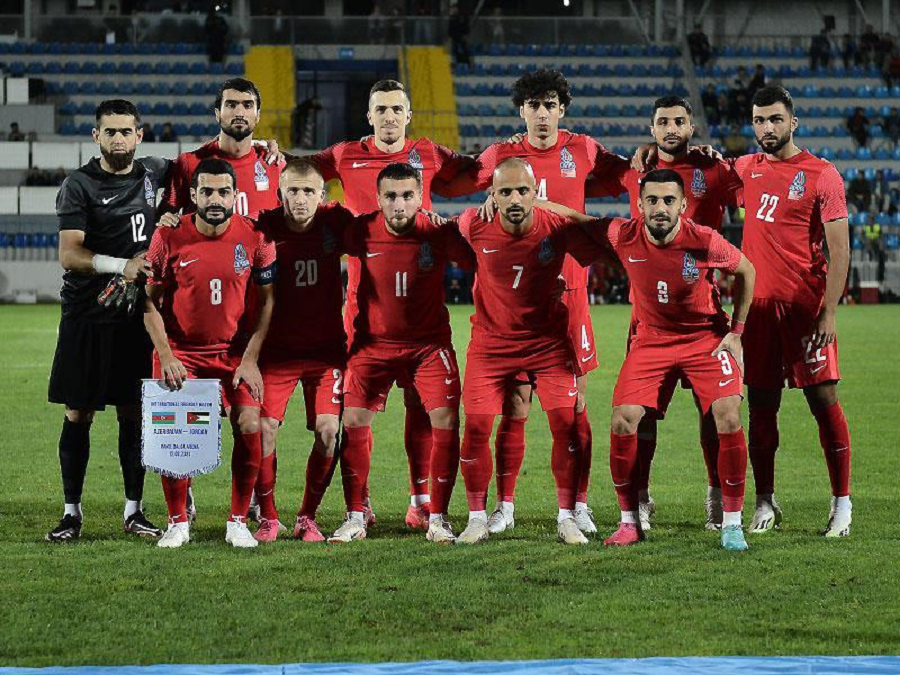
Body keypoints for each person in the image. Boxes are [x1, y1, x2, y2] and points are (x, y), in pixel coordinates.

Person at [438, 68, 631, 536]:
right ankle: (503, 506)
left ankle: (578, 504)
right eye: (533, 105)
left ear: (562, 109)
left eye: (550, 105)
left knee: (575, 406)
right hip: (513, 296)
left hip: (570, 295)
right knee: (516, 404)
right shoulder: (500, 155)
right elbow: (456, 185)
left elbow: (627, 178)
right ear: (521, 110)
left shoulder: (583, 149)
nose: (542, 114)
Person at [548, 169, 756, 550]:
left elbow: (746, 270)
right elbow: (580, 220)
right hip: (652, 339)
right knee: (623, 418)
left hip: (704, 337)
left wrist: (737, 332)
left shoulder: (704, 240)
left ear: (683, 205)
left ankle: (731, 523)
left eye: (669, 200)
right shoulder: (623, 234)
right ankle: (629, 522)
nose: (661, 208)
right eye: (653, 200)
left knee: (727, 413)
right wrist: (533, 202)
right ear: (640, 204)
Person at [307, 79, 475, 530]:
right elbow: (299, 175)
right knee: (356, 415)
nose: (389, 117)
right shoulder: (344, 155)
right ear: (369, 115)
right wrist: (268, 152)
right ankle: (358, 507)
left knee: (422, 408)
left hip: (421, 310)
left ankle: (421, 501)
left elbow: (477, 173)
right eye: (380, 109)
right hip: (364, 316)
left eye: (396, 109)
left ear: (408, 115)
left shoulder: (430, 154)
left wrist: (507, 154)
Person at [586, 96, 743, 531]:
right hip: (649, 316)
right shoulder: (636, 170)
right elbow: (583, 182)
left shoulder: (713, 169)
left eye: (679, 121)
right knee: (643, 413)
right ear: (651, 128)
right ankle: (639, 498)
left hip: (700, 309)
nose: (671, 128)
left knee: (714, 412)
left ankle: (717, 497)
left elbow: (755, 190)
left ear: (692, 127)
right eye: (663, 122)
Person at [454, 158, 618, 546]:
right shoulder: (473, 223)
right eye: (505, 192)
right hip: (492, 345)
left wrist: (555, 208)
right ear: (491, 195)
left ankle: (567, 516)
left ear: (535, 193)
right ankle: (478, 517)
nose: (514, 199)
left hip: (547, 343)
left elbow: (601, 235)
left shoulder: (555, 227)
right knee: (476, 425)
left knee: (566, 423)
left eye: (523, 191)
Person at [327, 162, 470, 545]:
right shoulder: (360, 230)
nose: (399, 204)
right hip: (373, 345)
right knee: (353, 419)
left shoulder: (438, 232)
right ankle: (355, 514)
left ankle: (437, 517)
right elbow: (314, 240)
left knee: (445, 418)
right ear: (378, 198)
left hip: (428, 346)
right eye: (390, 196)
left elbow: (482, 260)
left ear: (420, 197)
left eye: (407, 195)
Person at [160, 77, 282, 523]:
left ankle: (256, 502)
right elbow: (170, 221)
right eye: (231, 104)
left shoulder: (274, 164)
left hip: (254, 315)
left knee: (258, 420)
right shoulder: (189, 163)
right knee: (191, 419)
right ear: (217, 112)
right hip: (198, 313)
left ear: (258, 113)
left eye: (247, 105)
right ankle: (184, 499)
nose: (239, 112)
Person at [46, 99, 169, 542]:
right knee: (78, 412)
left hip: (135, 316)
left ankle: (134, 510)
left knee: (133, 412)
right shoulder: (79, 184)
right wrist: (122, 266)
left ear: (140, 135)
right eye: (110, 131)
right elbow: (69, 254)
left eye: (126, 131)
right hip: (86, 314)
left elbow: (208, 163)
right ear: (96, 136)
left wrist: (265, 147)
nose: (119, 138)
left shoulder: (156, 172)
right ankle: (71, 513)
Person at [736, 86, 852, 537]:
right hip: (758, 311)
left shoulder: (822, 174)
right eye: (759, 120)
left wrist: (829, 312)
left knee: (823, 401)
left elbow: (840, 250)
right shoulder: (745, 168)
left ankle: (841, 503)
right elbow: (696, 173)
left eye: (775, 119)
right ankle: (765, 501)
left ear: (793, 122)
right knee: (762, 407)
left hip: (805, 311)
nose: (767, 128)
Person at [143, 158, 276, 549]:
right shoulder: (167, 236)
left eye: (223, 192)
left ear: (235, 195)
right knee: (175, 432)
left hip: (234, 354)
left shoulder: (257, 237)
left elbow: (268, 302)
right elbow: (147, 302)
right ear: (193, 195)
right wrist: (167, 355)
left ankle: (238, 521)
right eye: (206, 192)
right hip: (181, 352)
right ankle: (177, 522)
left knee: (249, 423)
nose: (215, 199)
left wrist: (250, 358)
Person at [252, 159, 353, 543]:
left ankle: (307, 516)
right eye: (292, 190)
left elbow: (381, 230)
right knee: (264, 429)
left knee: (328, 432)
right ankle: (268, 517)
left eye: (308, 191)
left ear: (322, 195)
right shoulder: (264, 226)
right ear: (280, 193)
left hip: (326, 353)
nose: (300, 198)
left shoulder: (336, 222)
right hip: (276, 352)